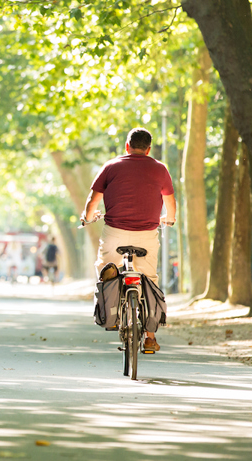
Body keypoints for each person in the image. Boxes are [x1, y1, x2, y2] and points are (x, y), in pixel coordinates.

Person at [82, 127, 176, 352]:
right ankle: (150, 337)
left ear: (127, 146)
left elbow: (93, 200)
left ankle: (112, 312)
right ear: (149, 149)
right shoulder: (160, 169)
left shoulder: (111, 166)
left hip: (115, 233)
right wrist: (169, 220)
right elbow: (170, 203)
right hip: (146, 235)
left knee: (105, 269)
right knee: (150, 280)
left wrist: (87, 218)